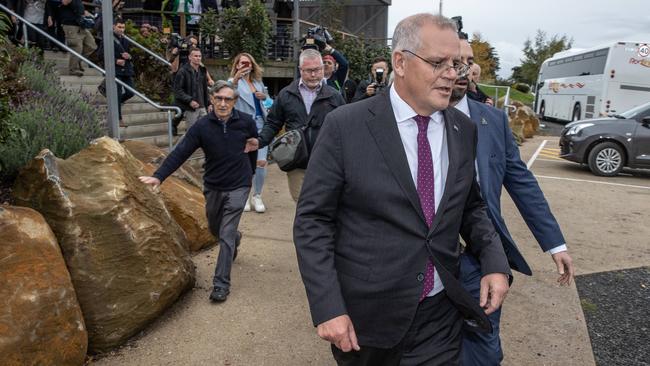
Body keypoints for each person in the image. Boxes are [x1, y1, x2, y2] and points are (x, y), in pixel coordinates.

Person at [293, 13, 511, 366]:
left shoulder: (462, 128)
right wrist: (327, 306)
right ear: (400, 62)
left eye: (455, 64)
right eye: (438, 63)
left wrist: (494, 262)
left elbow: (471, 207)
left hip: (440, 313)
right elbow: (312, 222)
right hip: (367, 319)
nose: (452, 74)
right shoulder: (346, 126)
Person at [449, 35, 575, 366]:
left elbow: (522, 182)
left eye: (469, 60)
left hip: (482, 254)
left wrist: (555, 243)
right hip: (425, 259)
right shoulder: (413, 121)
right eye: (453, 60)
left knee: (483, 341)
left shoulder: (494, 121)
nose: (463, 68)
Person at [139, 80, 259, 303]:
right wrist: (159, 176)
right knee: (216, 228)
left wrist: (250, 173)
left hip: (239, 184)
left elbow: (252, 147)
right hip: (213, 184)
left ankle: (221, 284)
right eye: (219, 99)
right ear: (212, 99)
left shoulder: (246, 122)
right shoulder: (202, 126)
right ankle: (236, 238)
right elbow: (181, 152)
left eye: (228, 99)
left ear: (234, 101)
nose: (223, 103)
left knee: (225, 233)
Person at [258, 48, 345, 202]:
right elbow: (273, 122)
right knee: (303, 203)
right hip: (297, 161)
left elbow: (346, 127)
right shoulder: (286, 95)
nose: (313, 75)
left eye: (317, 70)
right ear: (300, 70)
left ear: (323, 69)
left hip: (326, 160)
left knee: (325, 202)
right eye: (308, 71)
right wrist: (259, 141)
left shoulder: (334, 96)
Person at [228, 52, 270, 213]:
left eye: (248, 63)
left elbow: (266, 100)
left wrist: (263, 96)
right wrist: (236, 78)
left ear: (252, 65)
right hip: (242, 127)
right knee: (244, 165)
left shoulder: (258, 82)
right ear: (237, 65)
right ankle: (244, 195)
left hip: (261, 125)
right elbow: (227, 93)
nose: (246, 65)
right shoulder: (233, 82)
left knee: (261, 162)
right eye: (242, 63)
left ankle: (257, 195)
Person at [96, 17, 135, 127]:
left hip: (126, 70)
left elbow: (131, 55)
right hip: (115, 70)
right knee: (117, 95)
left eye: (123, 27)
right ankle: (118, 119)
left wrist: (129, 56)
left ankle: (115, 103)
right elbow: (100, 55)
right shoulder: (108, 39)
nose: (122, 29)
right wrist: (116, 61)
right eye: (119, 27)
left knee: (130, 92)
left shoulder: (126, 39)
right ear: (114, 26)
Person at [173, 47, 210, 130]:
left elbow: (205, 89)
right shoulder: (183, 71)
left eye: (199, 56)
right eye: (195, 56)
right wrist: (189, 101)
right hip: (191, 108)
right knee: (192, 132)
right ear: (189, 57)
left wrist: (209, 103)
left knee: (205, 130)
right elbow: (177, 90)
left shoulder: (202, 70)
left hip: (202, 106)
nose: (198, 58)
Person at [59, 0, 96, 76]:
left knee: (91, 45)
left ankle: (78, 60)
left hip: (81, 24)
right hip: (70, 25)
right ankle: (73, 69)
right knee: (77, 47)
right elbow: (64, 2)